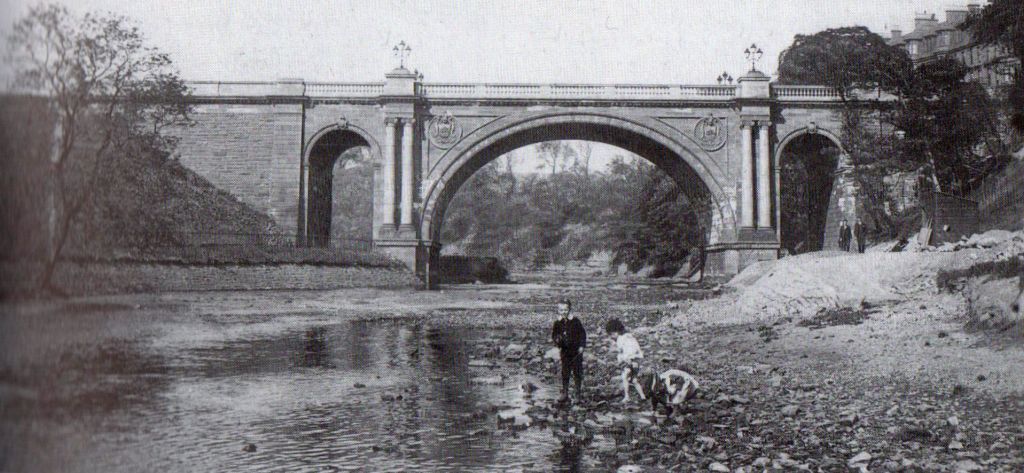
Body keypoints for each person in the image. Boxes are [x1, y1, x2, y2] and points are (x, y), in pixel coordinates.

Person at [551, 299, 586, 404]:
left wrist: (582, 346)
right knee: (565, 372)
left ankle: (577, 394)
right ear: (558, 311)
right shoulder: (557, 322)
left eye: (566, 310)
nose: (564, 312)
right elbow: (554, 334)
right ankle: (565, 392)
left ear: (569, 309)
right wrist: (557, 341)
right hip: (565, 351)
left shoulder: (575, 321)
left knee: (577, 372)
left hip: (576, 351)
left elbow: (582, 334)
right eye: (561, 310)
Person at [605, 318, 645, 403]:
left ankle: (627, 396)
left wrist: (622, 359)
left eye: (611, 335)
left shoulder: (620, 339)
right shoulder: (629, 336)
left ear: (616, 332)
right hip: (637, 360)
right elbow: (636, 349)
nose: (611, 337)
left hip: (629, 360)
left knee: (625, 377)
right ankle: (642, 396)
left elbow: (622, 352)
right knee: (634, 379)